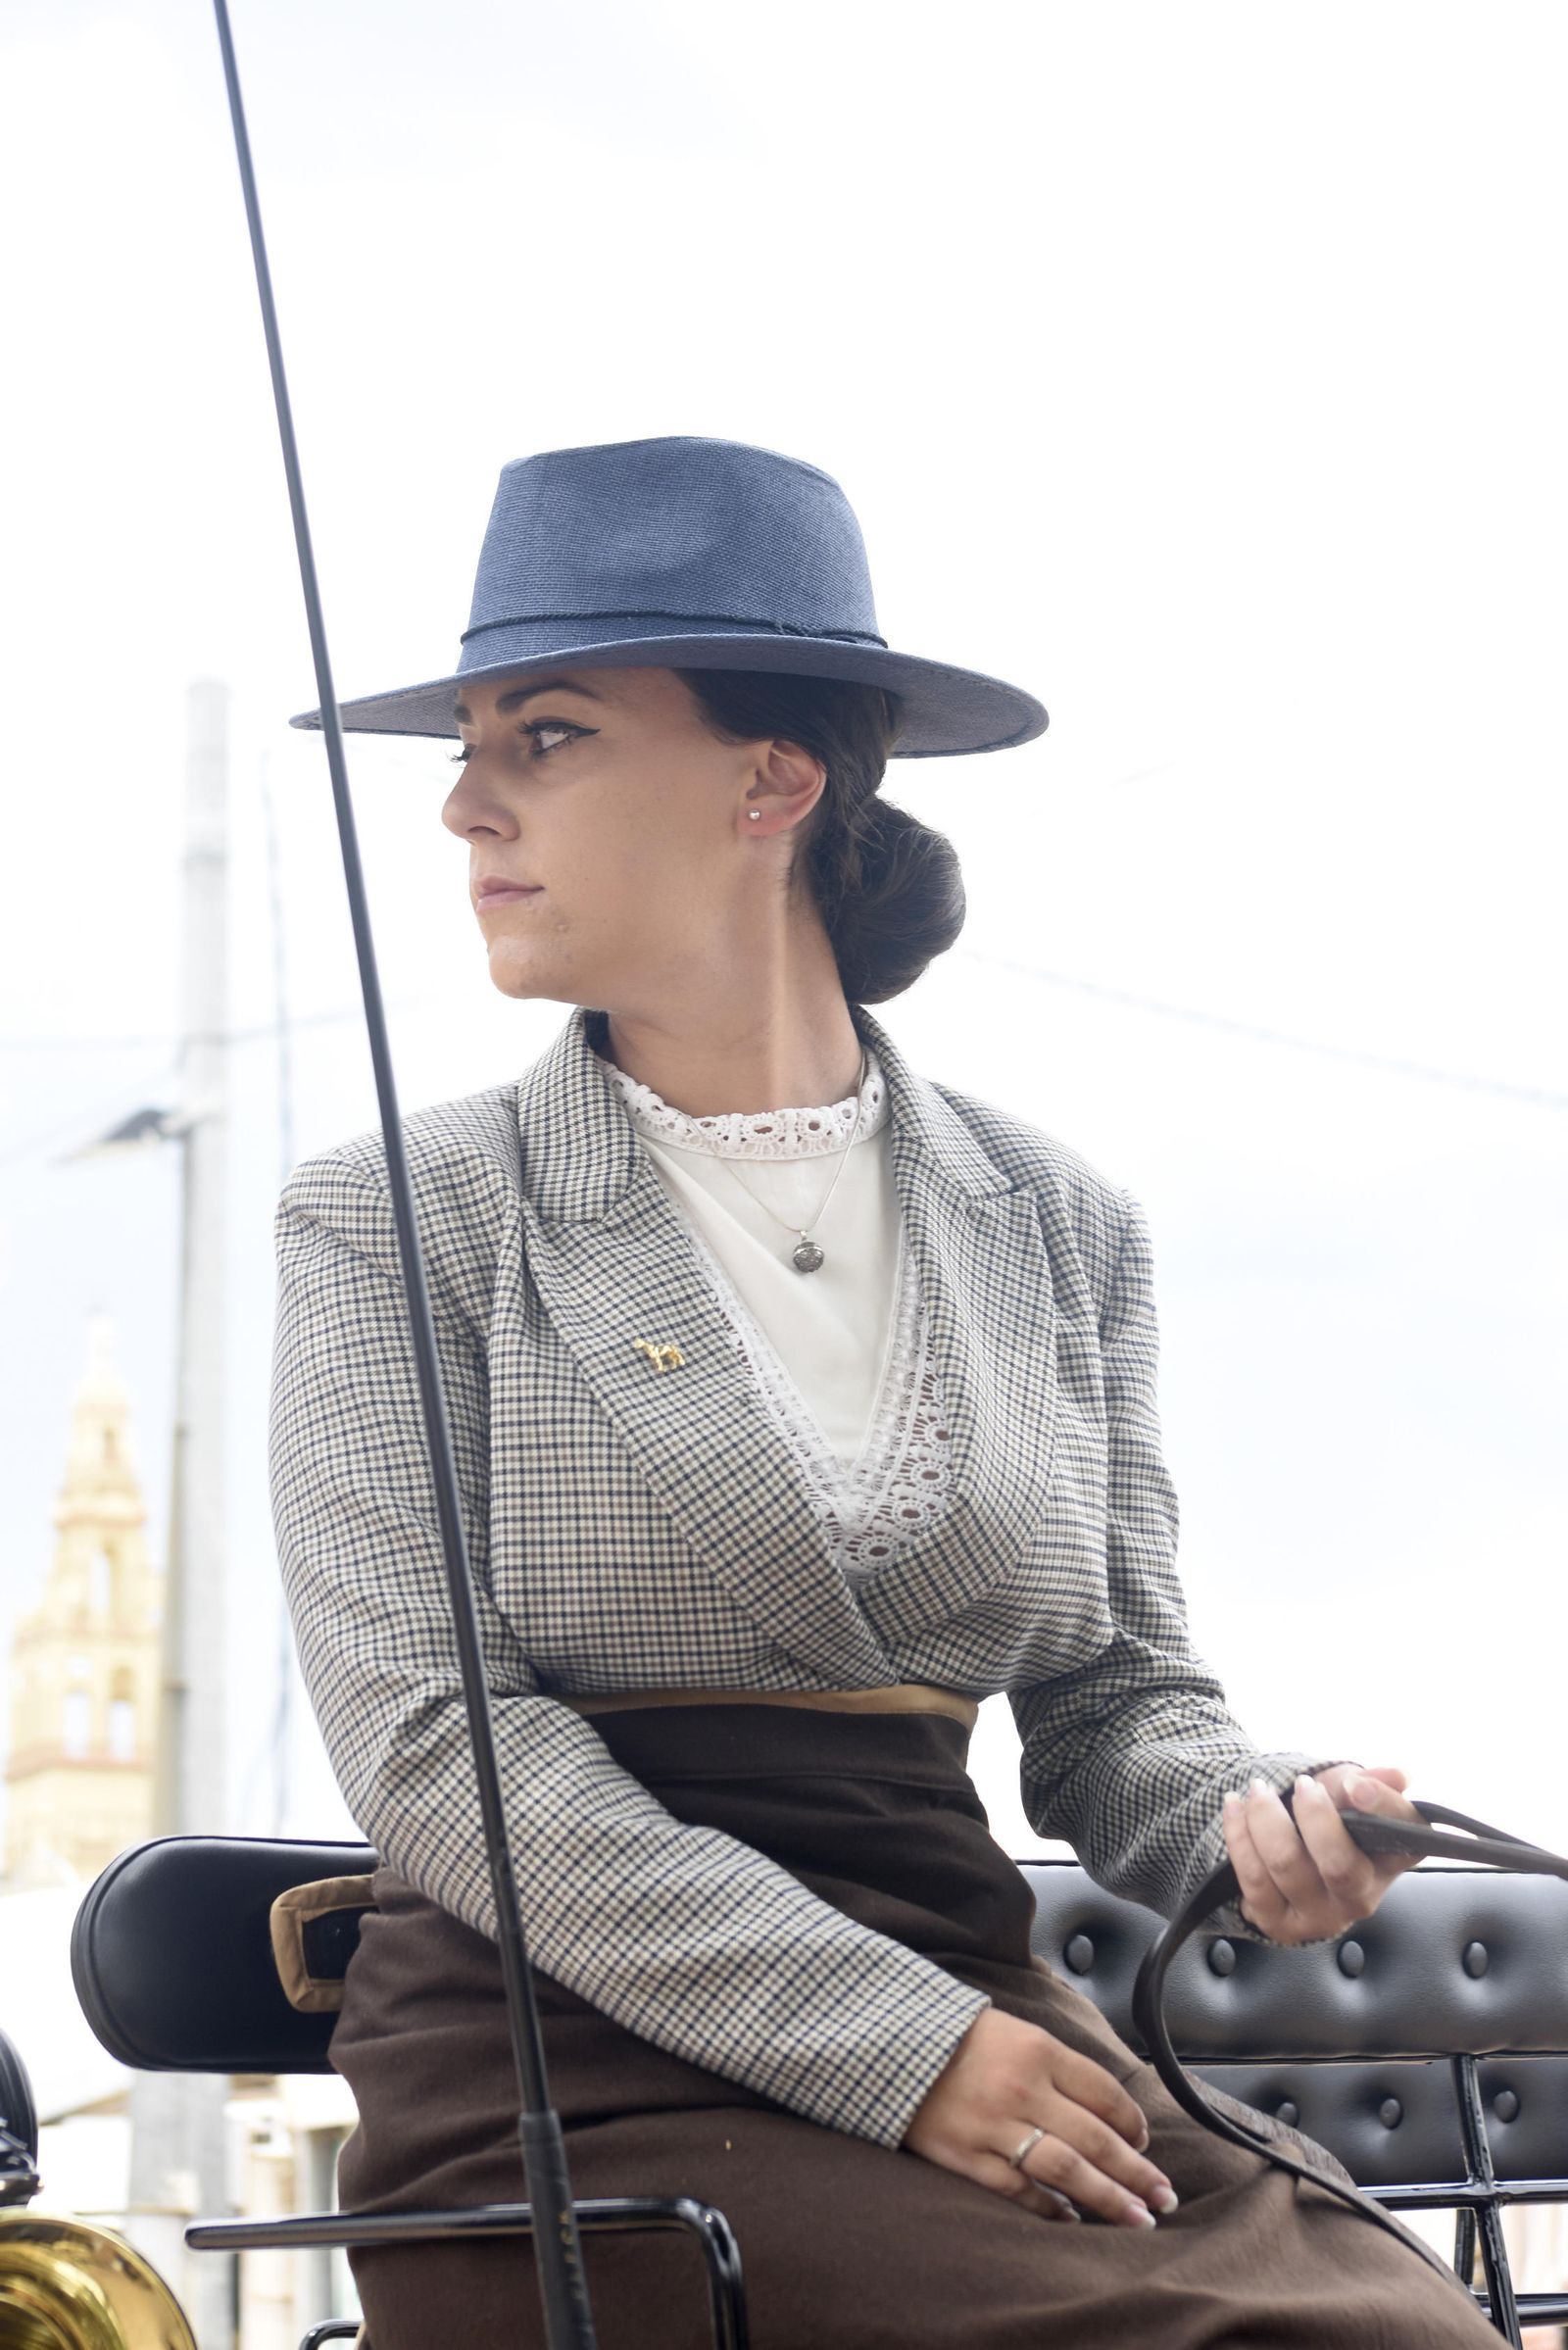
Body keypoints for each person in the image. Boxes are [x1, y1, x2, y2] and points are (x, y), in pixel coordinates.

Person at [270, 436, 1494, 2346]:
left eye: (551, 733)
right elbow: (434, 1738)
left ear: (774, 776)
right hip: (564, 2046)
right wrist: (894, 2047)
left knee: (1409, 2329)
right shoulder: (398, 1216)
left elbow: (1111, 1702)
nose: (460, 803)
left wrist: (1256, 1826)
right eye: (467, 739)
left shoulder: (1052, 1217)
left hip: (973, 1986)